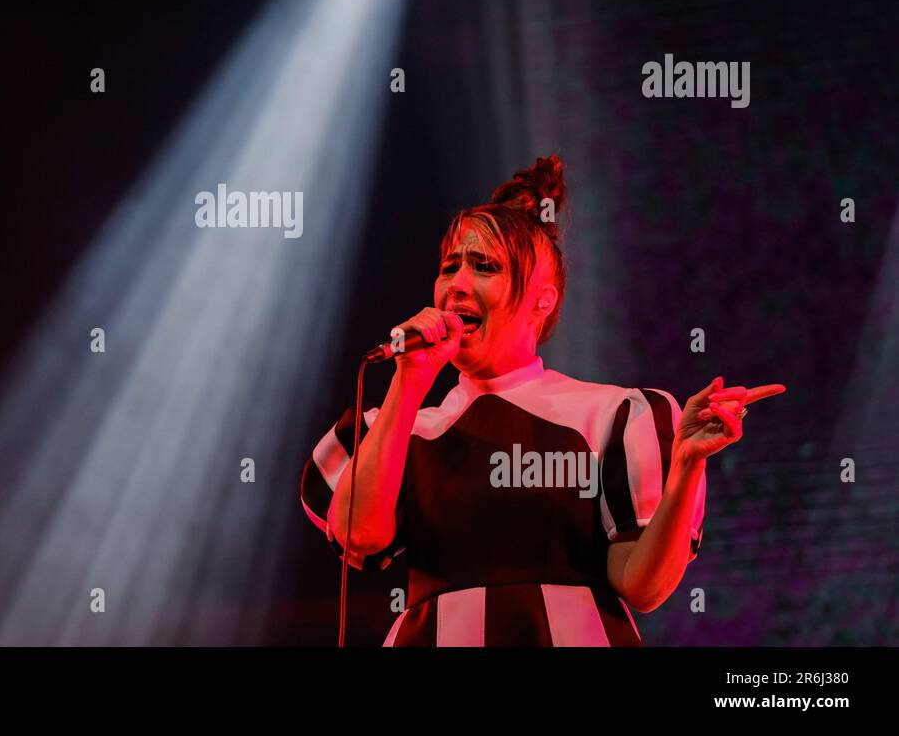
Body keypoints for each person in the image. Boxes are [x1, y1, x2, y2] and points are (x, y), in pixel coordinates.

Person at [299, 155, 785, 645]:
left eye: (484, 266)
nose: (457, 285)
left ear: (542, 299)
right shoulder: (396, 426)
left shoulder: (613, 414)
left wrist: (685, 466)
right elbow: (359, 535)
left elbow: (642, 586)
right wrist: (411, 379)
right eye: (449, 267)